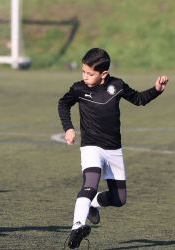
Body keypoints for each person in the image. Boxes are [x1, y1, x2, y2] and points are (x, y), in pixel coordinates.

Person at [57, 48, 168, 249]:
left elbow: (139, 99)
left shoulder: (117, 86)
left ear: (104, 74)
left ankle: (92, 204)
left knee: (119, 199)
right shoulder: (79, 89)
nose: (85, 76)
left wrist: (156, 90)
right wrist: (69, 128)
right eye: (83, 72)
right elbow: (63, 105)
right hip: (91, 146)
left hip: (113, 149)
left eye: (90, 73)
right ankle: (77, 226)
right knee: (90, 182)